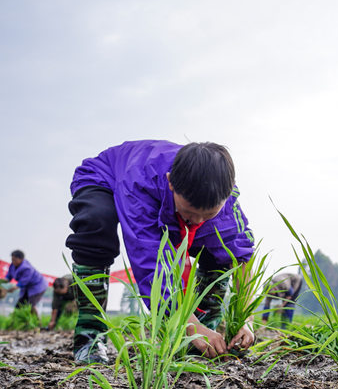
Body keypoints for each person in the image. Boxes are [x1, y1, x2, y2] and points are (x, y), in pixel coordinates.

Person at [66, 140, 256, 363]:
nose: (197, 222)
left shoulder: (226, 200)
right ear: (171, 183)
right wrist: (191, 326)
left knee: (220, 249)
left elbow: (242, 257)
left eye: (208, 215)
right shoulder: (140, 185)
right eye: (190, 213)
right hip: (107, 179)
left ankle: (202, 337)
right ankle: (90, 336)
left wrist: (247, 318)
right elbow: (150, 265)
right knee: (96, 224)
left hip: (169, 203)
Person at [5, 250, 48, 320]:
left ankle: (37, 322)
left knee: (31, 305)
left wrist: (13, 288)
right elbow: (8, 276)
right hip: (27, 288)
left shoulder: (27, 268)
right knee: (19, 305)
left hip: (37, 286)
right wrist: (1, 281)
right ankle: (13, 322)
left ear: (21, 259)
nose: (13, 261)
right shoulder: (12, 265)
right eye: (12, 259)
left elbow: (23, 282)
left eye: (15, 260)